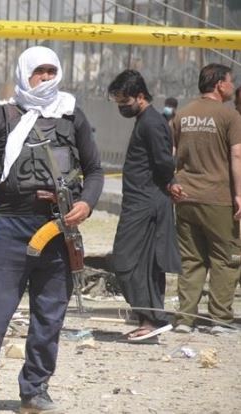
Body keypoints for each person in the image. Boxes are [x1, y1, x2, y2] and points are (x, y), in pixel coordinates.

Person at [0, 46, 104, 414]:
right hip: (10, 225)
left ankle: (35, 391)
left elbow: (95, 171)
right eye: (40, 71)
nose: (46, 77)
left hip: (58, 228)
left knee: (49, 315)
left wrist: (86, 203)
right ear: (25, 74)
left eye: (52, 71)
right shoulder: (0, 119)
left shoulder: (72, 115)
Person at [107, 70, 180, 342]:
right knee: (141, 263)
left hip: (145, 203)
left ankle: (152, 319)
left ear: (140, 96)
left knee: (126, 260)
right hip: (140, 201)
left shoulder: (151, 123)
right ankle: (148, 320)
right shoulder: (145, 120)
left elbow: (164, 162)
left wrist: (170, 182)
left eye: (124, 102)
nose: (121, 107)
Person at [169, 63, 241, 333]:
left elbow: (171, 153)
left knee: (191, 259)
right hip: (218, 197)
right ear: (219, 84)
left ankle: (185, 319)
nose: (233, 86)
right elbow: (237, 155)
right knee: (226, 258)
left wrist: (172, 183)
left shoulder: (183, 114)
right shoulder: (230, 115)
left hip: (186, 195)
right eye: (230, 81)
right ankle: (219, 319)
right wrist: (239, 194)